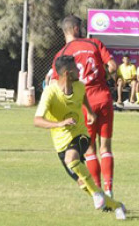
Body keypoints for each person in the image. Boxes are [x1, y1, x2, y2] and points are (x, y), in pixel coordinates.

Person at [34, 56, 126, 219]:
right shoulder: (50, 92)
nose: (80, 71)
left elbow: (82, 97)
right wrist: (60, 124)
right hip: (60, 144)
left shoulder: (79, 86)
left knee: (72, 157)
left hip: (81, 134)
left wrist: (89, 112)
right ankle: (117, 206)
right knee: (84, 184)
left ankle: (98, 195)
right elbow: (37, 120)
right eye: (76, 69)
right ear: (68, 74)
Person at [51, 15, 118, 200]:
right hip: (103, 98)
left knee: (89, 151)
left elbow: (59, 87)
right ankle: (109, 189)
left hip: (83, 105)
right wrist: (105, 74)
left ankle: (99, 193)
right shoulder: (95, 43)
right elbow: (112, 67)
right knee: (106, 148)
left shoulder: (60, 55)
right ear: (75, 29)